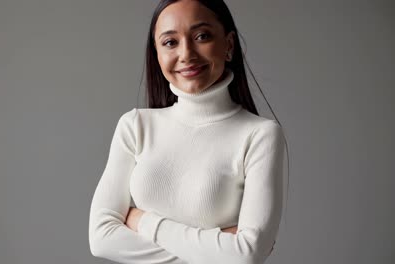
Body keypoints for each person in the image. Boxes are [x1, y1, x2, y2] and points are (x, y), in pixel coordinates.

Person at [89, 0, 289, 263]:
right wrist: (219, 249)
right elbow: (101, 240)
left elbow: (246, 254)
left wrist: (143, 221)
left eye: (202, 36)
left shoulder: (260, 135)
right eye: (170, 42)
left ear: (228, 45)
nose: (186, 54)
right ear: (157, 54)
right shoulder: (135, 126)